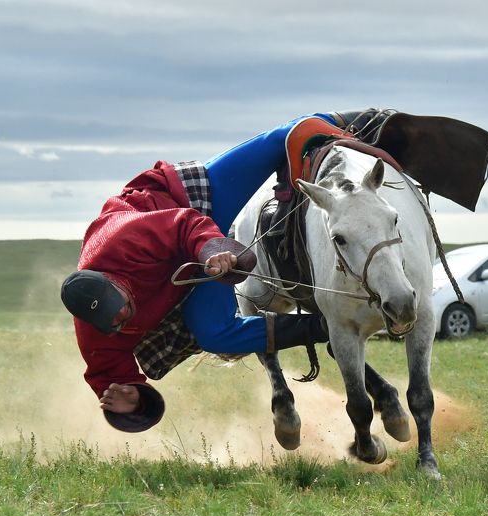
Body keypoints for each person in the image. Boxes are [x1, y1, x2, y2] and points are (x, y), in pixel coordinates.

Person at [61, 113, 360, 433]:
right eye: (115, 320)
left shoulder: (120, 240)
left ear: (112, 280)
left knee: (282, 140)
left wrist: (212, 251)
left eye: (116, 303)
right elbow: (114, 382)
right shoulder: (94, 331)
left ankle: (351, 122)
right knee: (214, 334)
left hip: (191, 204)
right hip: (190, 277)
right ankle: (326, 326)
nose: (121, 314)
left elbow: (185, 223)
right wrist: (132, 402)